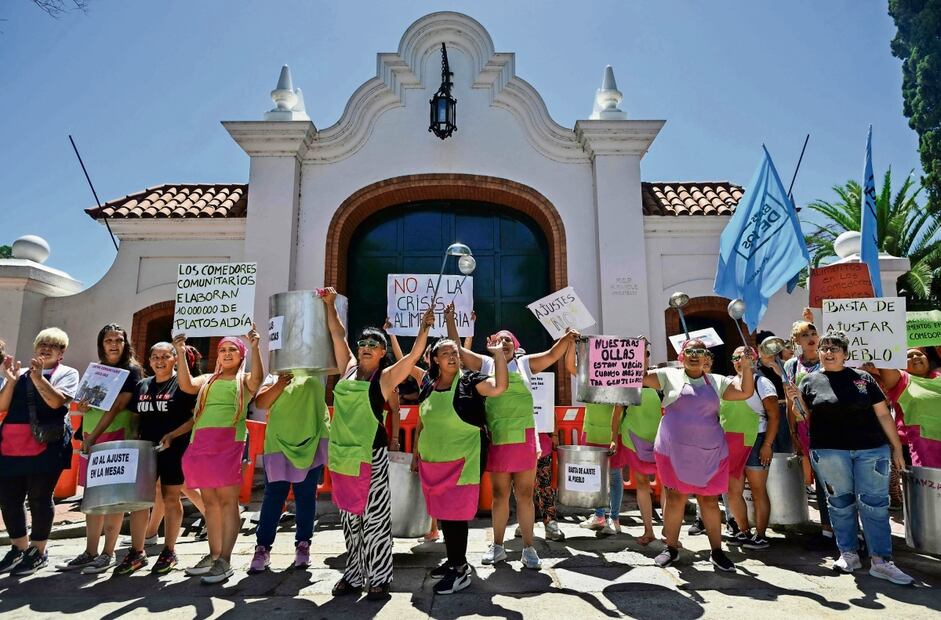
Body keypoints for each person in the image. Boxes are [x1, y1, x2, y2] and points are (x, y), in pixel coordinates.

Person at [446, 305, 576, 570]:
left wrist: (567, 337)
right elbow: (457, 352)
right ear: (491, 344)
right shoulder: (485, 364)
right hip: (497, 438)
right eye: (499, 339)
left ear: (515, 347)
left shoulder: (526, 364)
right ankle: (498, 547)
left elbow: (553, 354)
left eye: (508, 340)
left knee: (525, 496)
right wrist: (450, 321)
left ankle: (529, 549)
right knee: (499, 495)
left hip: (525, 439)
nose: (503, 342)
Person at [325, 289, 433, 601]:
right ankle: (354, 573)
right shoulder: (346, 366)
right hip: (343, 456)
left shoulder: (384, 379)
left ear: (383, 353)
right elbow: (337, 332)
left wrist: (424, 328)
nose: (367, 347)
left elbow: (413, 358)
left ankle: (380, 576)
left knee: (374, 519)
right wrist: (330, 305)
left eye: (375, 344)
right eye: (364, 343)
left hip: (370, 455)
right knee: (349, 519)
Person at [786, 331, 913, 585]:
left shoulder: (863, 378)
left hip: (871, 450)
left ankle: (881, 561)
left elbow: (884, 415)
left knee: (875, 504)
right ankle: (849, 553)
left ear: (845, 353)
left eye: (835, 348)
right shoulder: (808, 381)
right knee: (840, 503)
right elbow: (802, 417)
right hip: (830, 451)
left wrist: (897, 449)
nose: (829, 353)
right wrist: (796, 400)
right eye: (825, 348)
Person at [643, 338, 755, 571]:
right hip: (672, 451)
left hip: (710, 452)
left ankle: (717, 551)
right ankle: (671, 548)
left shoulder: (718, 381)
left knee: (709, 501)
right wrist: (640, 354)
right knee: (675, 499)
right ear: (682, 355)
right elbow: (638, 377)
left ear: (706, 357)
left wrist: (746, 366)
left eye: (700, 351)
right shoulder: (667, 375)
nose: (695, 355)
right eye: (689, 351)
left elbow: (745, 392)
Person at [413, 337, 508, 594]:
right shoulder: (428, 383)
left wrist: (498, 355)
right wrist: (415, 454)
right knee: (444, 515)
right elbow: (422, 419)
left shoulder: (472, 380)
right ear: (435, 359)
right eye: (445, 354)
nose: (452, 357)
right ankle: (454, 560)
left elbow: (499, 387)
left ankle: (459, 570)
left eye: (455, 352)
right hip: (434, 461)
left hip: (463, 460)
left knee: (455, 516)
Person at [175, 326, 264, 584]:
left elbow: (257, 381)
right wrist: (180, 351)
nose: (226, 354)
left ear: (241, 355)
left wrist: (256, 347)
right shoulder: (206, 380)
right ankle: (213, 556)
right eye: (223, 350)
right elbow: (186, 384)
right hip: (201, 444)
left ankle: (225, 560)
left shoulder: (244, 380)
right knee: (210, 502)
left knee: (227, 501)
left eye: (232, 350)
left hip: (229, 444)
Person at [58, 324, 142, 575]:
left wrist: (94, 436)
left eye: (118, 339)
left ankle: (108, 553)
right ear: (101, 344)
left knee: (113, 500)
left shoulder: (131, 371)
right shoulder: (97, 370)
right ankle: (89, 551)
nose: (114, 344)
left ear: (125, 343)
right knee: (92, 498)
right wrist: (83, 410)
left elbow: (117, 407)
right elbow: (90, 404)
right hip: (91, 438)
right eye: (109, 340)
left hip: (113, 438)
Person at [0, 328, 79, 575]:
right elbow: (2, 405)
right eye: (42, 343)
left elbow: (57, 402)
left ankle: (38, 551)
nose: (46, 348)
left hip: (48, 444)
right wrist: (11, 381)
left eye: (53, 345)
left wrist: (38, 378)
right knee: (9, 498)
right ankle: (18, 548)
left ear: (62, 352)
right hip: (12, 443)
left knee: (40, 498)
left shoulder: (68, 373)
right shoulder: (20, 372)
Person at [116, 342, 200, 575]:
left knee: (171, 497)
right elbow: (134, 417)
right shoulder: (142, 385)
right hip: (145, 451)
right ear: (149, 360)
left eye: (165, 356)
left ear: (175, 359)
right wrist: (133, 440)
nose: (159, 361)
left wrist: (173, 435)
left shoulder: (183, 385)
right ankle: (137, 552)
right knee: (140, 501)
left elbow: (195, 418)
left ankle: (169, 550)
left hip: (174, 449)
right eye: (154, 356)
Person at [248, 367, 331, 574]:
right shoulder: (275, 374)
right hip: (278, 444)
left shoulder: (316, 370)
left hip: (310, 442)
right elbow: (261, 403)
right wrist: (280, 382)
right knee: (273, 497)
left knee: (305, 497)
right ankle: (262, 548)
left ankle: (303, 545)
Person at [783, 315, 835, 550]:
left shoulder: (829, 360)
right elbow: (789, 399)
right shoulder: (791, 365)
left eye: (813, 332)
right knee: (819, 481)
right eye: (804, 334)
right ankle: (826, 530)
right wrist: (792, 430)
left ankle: (845, 530)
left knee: (834, 479)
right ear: (796, 340)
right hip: (805, 428)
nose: (811, 337)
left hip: (829, 425)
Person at [721, 346, 779, 550]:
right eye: (736, 357)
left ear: (753, 360)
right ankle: (744, 531)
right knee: (732, 491)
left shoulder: (762, 383)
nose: (740, 361)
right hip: (732, 441)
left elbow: (774, 415)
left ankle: (761, 535)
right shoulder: (727, 383)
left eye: (745, 357)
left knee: (758, 490)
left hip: (756, 439)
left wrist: (767, 445)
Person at [563, 343, 623, 536]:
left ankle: (614, 518)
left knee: (614, 477)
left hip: (610, 434)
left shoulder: (617, 379)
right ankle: (599, 516)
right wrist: (571, 344)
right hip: (590, 433)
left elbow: (618, 409)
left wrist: (614, 437)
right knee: (596, 476)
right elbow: (570, 366)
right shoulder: (589, 378)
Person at [608, 341, 662, 545]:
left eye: (646, 353)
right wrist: (613, 438)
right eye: (639, 354)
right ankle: (648, 530)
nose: (643, 357)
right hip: (633, 437)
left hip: (660, 438)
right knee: (641, 483)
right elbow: (617, 412)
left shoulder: (660, 379)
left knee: (667, 486)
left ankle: (668, 531)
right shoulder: (627, 380)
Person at [863, 349, 941, 468]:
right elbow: (884, 359)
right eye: (909, 356)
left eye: (920, 354)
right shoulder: (901, 380)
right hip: (920, 448)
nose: (915, 357)